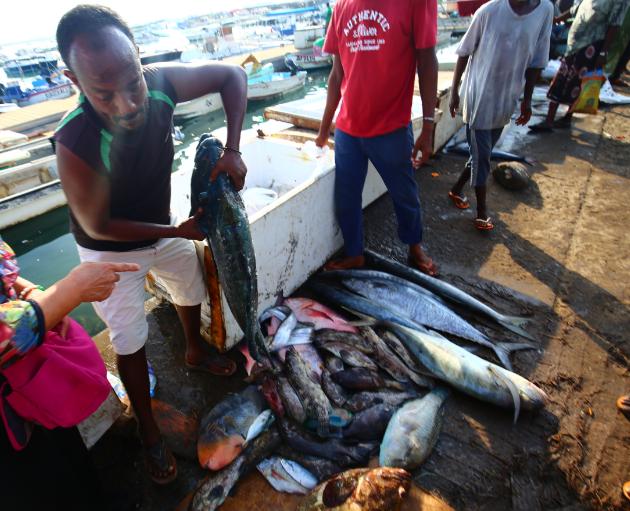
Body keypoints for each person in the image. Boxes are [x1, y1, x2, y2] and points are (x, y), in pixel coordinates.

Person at [54, 5, 248, 484]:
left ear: (139, 56)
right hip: (110, 250)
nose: (127, 104)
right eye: (104, 93)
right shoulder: (74, 140)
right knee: (129, 338)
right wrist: (176, 232)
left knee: (189, 282)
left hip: (164, 228)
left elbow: (232, 75)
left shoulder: (161, 83)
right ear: (73, 81)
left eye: (132, 82)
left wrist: (233, 148)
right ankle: (148, 431)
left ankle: (194, 351)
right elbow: (99, 226)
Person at [0, 237, 139, 510]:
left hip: (29, 380)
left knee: (66, 451)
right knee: (36, 487)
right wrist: (69, 292)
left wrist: (32, 293)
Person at [315, 0, 439, 275]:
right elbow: (337, 74)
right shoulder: (341, 7)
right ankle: (354, 253)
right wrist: (324, 130)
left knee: (404, 193)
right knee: (346, 197)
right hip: (348, 130)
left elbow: (427, 60)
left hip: (391, 128)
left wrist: (428, 126)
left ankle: (414, 245)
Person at [448, 0, 553, 230]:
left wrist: (527, 100)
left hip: (506, 98)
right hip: (478, 96)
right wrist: (454, 91)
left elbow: (537, 60)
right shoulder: (489, 11)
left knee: (480, 155)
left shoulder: (545, 10)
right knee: (483, 158)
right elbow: (464, 52)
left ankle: (456, 190)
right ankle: (482, 212)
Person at [529, 0, 627, 131]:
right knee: (561, 78)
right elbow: (576, 9)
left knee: (577, 83)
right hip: (574, 44)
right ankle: (551, 119)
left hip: (592, 45)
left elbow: (615, 25)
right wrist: (558, 19)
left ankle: (563, 119)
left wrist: (603, 52)